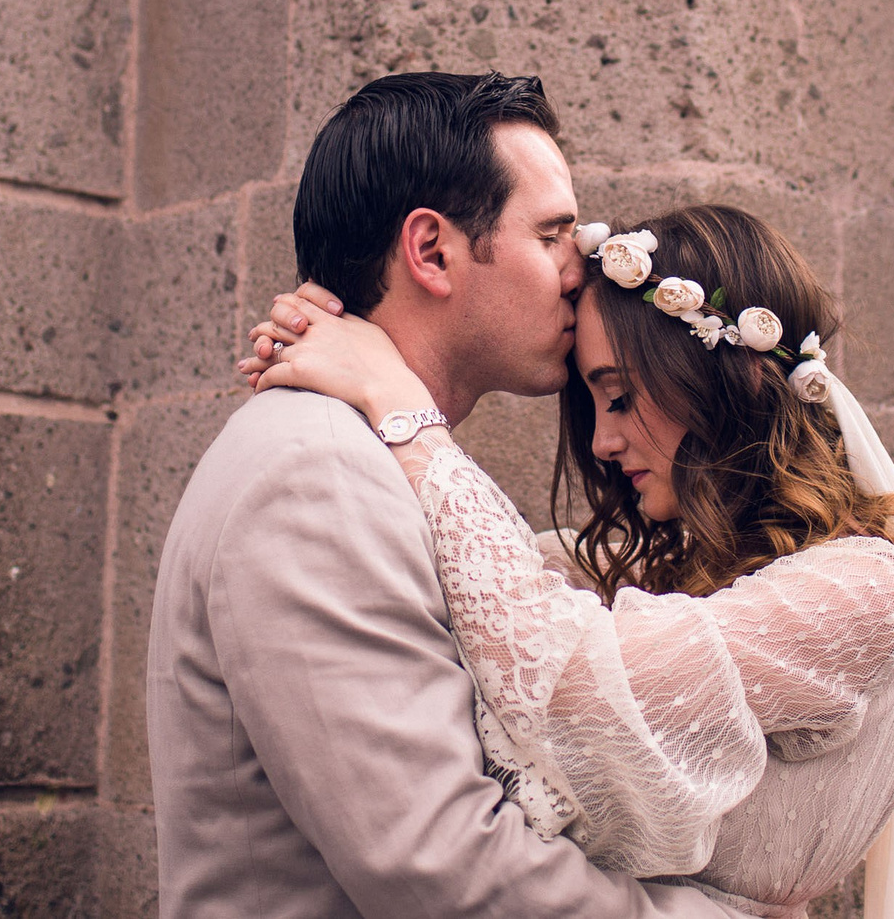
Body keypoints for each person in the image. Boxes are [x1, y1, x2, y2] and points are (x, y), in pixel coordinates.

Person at [242, 202, 894, 919]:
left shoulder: (869, 591)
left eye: (618, 397)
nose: (603, 443)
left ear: (728, 382)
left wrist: (397, 404)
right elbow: (474, 576)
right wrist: (342, 344)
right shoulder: (625, 574)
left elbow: (570, 681)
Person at [145, 71, 726, 919]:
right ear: (431, 251)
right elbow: (438, 862)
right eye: (553, 234)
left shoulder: (363, 456)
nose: (582, 268)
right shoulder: (315, 477)